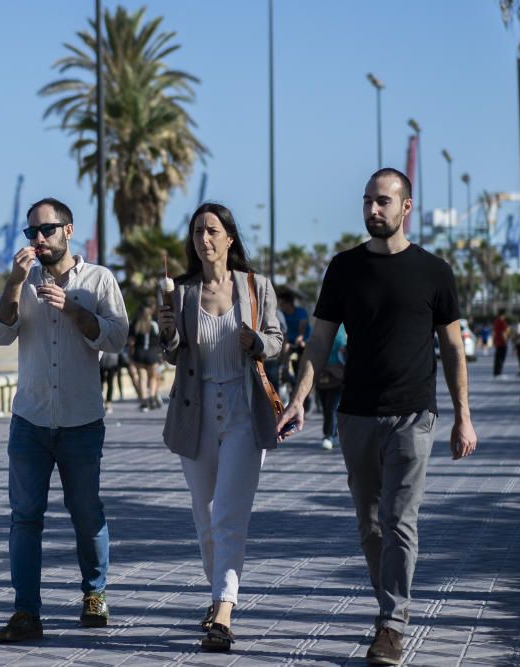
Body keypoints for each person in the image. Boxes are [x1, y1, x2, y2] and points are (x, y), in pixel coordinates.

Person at [277, 168, 477, 666]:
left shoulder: (435, 271)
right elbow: (320, 340)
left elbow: (453, 349)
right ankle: (387, 602)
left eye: (383, 201)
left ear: (406, 207)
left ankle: (392, 623)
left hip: (414, 415)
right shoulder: (344, 268)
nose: (372, 210)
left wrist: (463, 417)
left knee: (399, 521)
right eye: (367, 201)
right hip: (357, 414)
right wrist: (300, 398)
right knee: (370, 526)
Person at [0, 197, 128, 642]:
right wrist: (13, 283)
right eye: (32, 233)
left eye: (47, 230)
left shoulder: (99, 279)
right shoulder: (22, 282)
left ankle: (94, 593)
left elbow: (118, 338)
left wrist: (73, 309)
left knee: (86, 513)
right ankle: (26, 612)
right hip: (29, 420)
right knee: (25, 518)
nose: (39, 239)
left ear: (69, 231)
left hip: (81, 421)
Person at [158, 202, 283, 653]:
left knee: (229, 513)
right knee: (204, 515)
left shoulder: (256, 286)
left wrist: (258, 343)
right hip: (195, 411)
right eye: (196, 232)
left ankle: (224, 609)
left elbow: (277, 339)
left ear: (230, 238)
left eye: (212, 231)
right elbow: (173, 354)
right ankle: (217, 594)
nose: (204, 239)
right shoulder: (185, 292)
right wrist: (167, 330)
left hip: (243, 408)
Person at [316, 324, 347, 450]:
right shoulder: (320, 326)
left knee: (332, 407)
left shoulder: (345, 327)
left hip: (337, 374)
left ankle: (328, 435)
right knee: (325, 407)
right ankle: (332, 433)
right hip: (322, 372)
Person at [130, 303, 162, 411]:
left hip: (139, 353)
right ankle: (152, 397)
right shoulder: (154, 324)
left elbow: (131, 341)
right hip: (152, 353)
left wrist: (131, 354)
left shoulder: (136, 324)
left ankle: (144, 402)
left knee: (142, 379)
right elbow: (160, 339)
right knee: (153, 377)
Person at [492, 310, 509, 377]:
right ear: (503, 315)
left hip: (497, 342)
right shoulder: (503, 322)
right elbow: (503, 333)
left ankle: (496, 371)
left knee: (497, 357)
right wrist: (505, 341)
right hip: (502, 343)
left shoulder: (496, 322)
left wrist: (494, 341)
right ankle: (499, 371)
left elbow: (494, 332)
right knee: (502, 358)